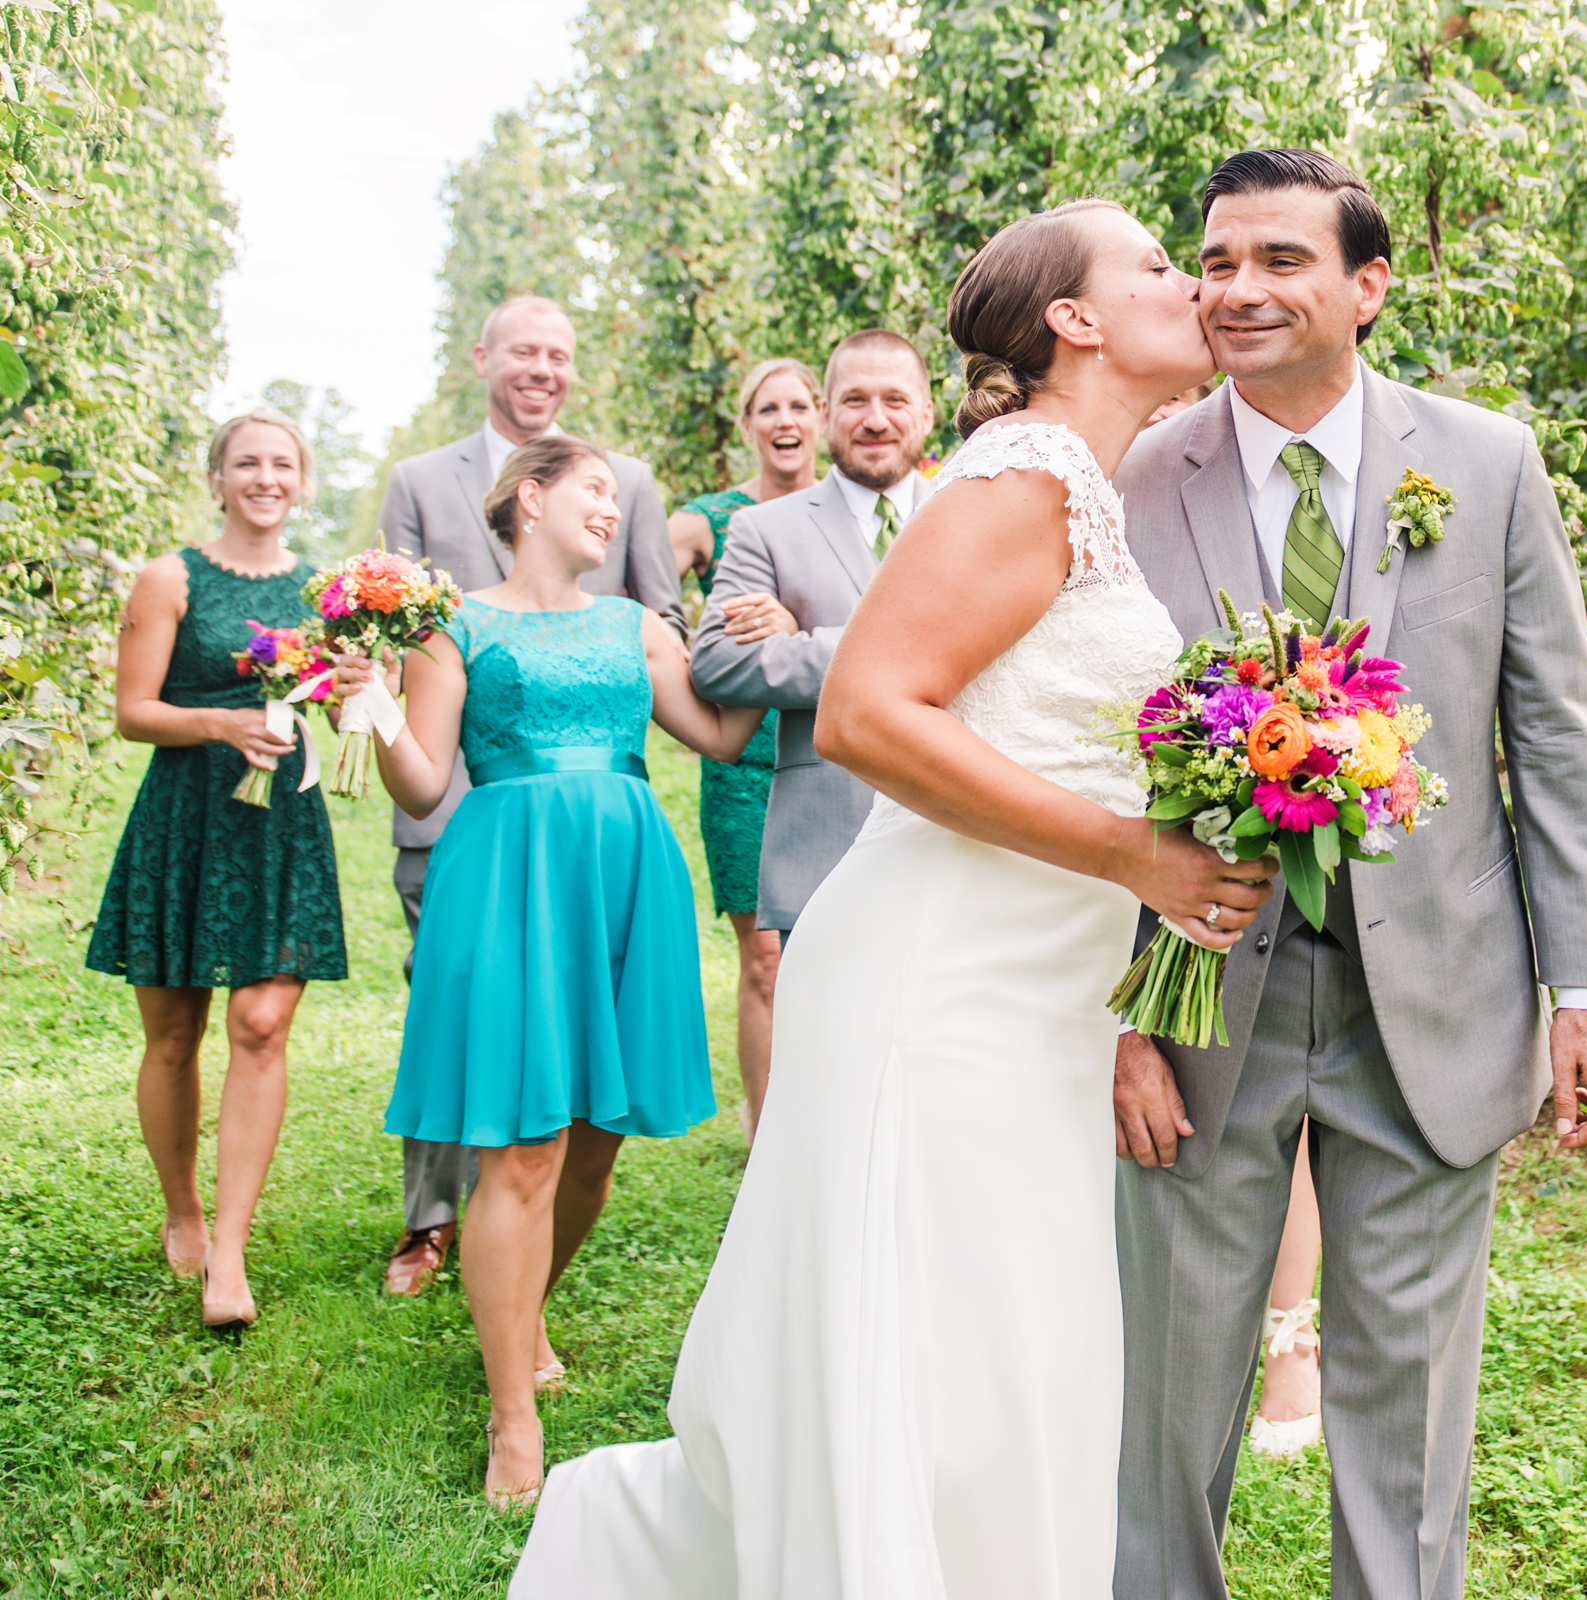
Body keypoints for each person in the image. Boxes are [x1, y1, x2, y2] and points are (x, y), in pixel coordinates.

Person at [514, 199, 1269, 1598]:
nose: (1196, 285)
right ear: (1077, 321)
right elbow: (863, 713)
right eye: (1161, 265)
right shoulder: (1020, 482)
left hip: (1037, 990)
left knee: (1010, 1352)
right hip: (943, 983)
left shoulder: (1085, 484)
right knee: (950, 1360)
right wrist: (1129, 855)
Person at [1112, 148, 1587, 1600]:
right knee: (1164, 1405)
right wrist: (1117, 1023)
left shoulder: (1485, 460)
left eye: (1280, 260)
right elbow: (1085, 750)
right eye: (1215, 263)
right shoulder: (1139, 470)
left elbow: (1557, 740)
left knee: (1409, 1424)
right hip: (1198, 1004)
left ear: (1368, 285)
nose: (1238, 290)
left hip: (1442, 1002)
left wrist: (1582, 992)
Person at [339, 435, 762, 1509]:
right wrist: (376, 699)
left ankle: (521, 1316)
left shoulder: (637, 624)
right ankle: (511, 1411)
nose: (614, 512)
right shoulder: (454, 624)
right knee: (521, 1146)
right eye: (593, 493)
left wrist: (773, 642)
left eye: (617, 499)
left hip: (625, 871)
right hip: (507, 874)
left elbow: (718, 733)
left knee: (593, 1148)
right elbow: (426, 780)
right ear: (530, 498)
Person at [373, 294, 688, 1298]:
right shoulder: (423, 482)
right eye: (524, 350)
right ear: (484, 358)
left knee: (578, 1091)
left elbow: (659, 616)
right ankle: (432, 1226)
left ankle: (514, 1277)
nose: (541, 367)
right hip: (482, 815)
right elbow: (402, 617)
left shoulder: (620, 486)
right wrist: (380, 703)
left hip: (605, 830)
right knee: (472, 1028)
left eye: (559, 353)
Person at [85, 409, 348, 1332]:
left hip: (281, 819)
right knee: (171, 1034)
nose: (265, 478)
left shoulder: (326, 592)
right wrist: (221, 722)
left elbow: (339, 711)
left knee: (263, 1021)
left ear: (302, 481)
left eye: (282, 464)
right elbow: (133, 710)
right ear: (219, 477)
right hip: (186, 816)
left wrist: (355, 693)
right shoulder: (172, 577)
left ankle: (229, 1251)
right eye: (248, 463)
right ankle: (183, 1208)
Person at [687, 330, 932, 992]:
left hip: (960, 840)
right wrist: (893, 651)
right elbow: (717, 664)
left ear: (928, 411)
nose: (875, 419)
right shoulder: (764, 529)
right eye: (854, 400)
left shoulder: (969, 515)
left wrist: (807, 637)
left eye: (894, 399)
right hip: (827, 839)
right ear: (826, 415)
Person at [667, 358, 823, 1137]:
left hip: (838, 751)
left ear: (820, 417)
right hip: (743, 762)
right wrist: (692, 672)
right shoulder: (707, 520)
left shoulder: (855, 514)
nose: (785, 421)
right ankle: (768, 1143)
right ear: (748, 425)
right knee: (765, 957)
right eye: (768, 408)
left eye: (799, 405)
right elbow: (640, 598)